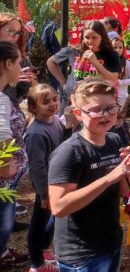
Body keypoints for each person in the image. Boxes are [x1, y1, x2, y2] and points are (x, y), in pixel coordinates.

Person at [48, 78, 130, 271]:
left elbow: (123, 190)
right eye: (96, 110)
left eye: (111, 107)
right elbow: (59, 207)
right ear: (78, 114)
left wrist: (127, 171)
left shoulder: (114, 139)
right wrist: (110, 177)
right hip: (81, 254)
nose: (106, 115)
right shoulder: (70, 151)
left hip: (110, 242)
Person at [24, 84, 69, 271]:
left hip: (56, 183)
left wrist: (70, 127)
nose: (52, 104)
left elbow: (61, 145)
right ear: (34, 108)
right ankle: (36, 262)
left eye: (54, 99)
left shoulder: (55, 121)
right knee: (40, 223)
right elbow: (37, 167)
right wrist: (43, 193)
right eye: (46, 102)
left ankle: (43, 249)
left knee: (52, 219)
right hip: (46, 187)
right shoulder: (35, 132)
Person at [47, 20, 121, 112]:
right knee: (66, 125)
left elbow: (113, 78)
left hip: (95, 101)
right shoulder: (74, 51)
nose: (90, 41)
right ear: (82, 37)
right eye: (86, 37)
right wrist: (63, 84)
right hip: (70, 99)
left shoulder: (111, 54)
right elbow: (51, 62)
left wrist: (95, 62)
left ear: (102, 37)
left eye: (94, 38)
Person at [0, 41, 29, 266]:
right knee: (4, 219)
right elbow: (2, 136)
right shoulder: (0, 98)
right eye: (19, 62)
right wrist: (5, 166)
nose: (21, 67)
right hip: (3, 181)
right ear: (8, 63)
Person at [110, 37, 130, 106]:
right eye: (115, 47)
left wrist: (120, 82)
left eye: (120, 47)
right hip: (108, 96)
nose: (118, 50)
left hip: (121, 98)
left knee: (120, 116)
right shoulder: (106, 62)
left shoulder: (126, 63)